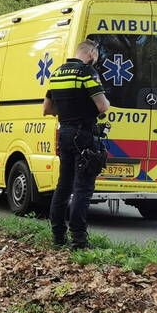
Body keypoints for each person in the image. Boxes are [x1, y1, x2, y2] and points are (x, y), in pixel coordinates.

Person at [43, 40, 111, 249]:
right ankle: (79, 239)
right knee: (83, 188)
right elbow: (102, 107)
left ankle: (57, 236)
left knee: (64, 185)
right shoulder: (87, 72)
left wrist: (66, 111)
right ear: (91, 53)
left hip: (64, 132)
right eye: (96, 56)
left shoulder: (56, 74)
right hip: (84, 134)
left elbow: (46, 110)